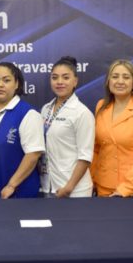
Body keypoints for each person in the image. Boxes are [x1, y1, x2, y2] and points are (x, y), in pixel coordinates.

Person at [90, 59, 133, 197]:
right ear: (108, 81)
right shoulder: (101, 106)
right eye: (115, 77)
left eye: (126, 77)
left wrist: (126, 188)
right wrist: (92, 180)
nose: (120, 81)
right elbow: (96, 149)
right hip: (103, 186)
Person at [0, 62, 44, 199]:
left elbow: (33, 155)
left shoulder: (28, 114)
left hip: (16, 192)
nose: (0, 85)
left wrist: (11, 185)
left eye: (6, 80)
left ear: (17, 84)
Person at [40, 56, 95, 198]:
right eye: (54, 77)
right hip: (48, 186)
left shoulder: (82, 113)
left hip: (74, 190)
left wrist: (69, 187)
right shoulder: (45, 109)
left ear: (75, 81)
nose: (59, 82)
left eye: (65, 78)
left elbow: (85, 156)